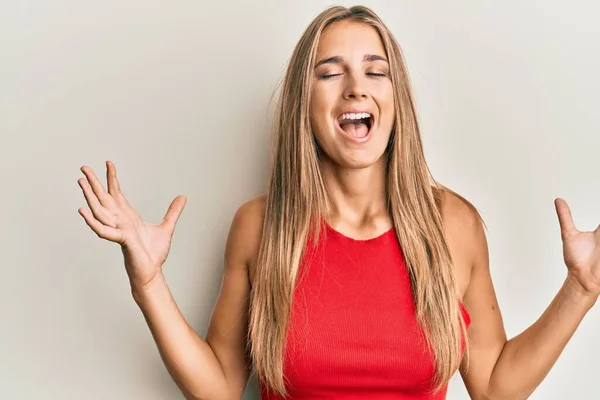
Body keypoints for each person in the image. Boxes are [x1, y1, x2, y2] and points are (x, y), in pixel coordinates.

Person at [76, 5, 599, 400]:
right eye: (330, 73)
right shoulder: (261, 227)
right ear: (306, 103)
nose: (356, 88)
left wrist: (580, 288)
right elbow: (219, 386)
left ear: (397, 101)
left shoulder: (454, 225)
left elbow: (493, 385)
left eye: (375, 71)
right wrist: (148, 283)